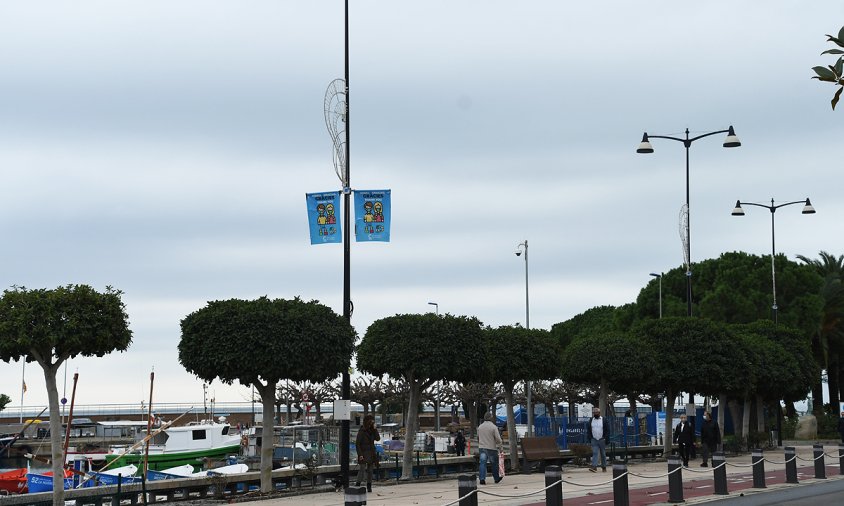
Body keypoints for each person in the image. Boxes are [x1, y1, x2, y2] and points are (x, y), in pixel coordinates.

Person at [355, 414, 380, 492]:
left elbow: (378, 438)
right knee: (362, 469)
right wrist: (360, 454)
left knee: (370, 470)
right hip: (363, 453)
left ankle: (369, 486)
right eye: (371, 422)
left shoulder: (372, 431)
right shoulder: (362, 431)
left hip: (371, 452)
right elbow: (357, 443)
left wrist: (375, 429)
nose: (372, 423)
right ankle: (357, 484)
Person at [477, 412, 503, 485]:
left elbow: (478, 437)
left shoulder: (480, 427)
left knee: (482, 463)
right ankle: (496, 478)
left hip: (482, 447)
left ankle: (482, 479)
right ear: (490, 418)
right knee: (494, 464)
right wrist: (500, 448)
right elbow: (498, 439)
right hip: (491, 447)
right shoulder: (494, 427)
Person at [587, 407, 611, 472]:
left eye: (596, 412)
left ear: (599, 413)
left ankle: (604, 467)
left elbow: (608, 430)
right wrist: (590, 438)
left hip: (602, 439)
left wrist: (605, 438)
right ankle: (594, 467)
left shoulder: (604, 420)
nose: (595, 414)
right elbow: (589, 429)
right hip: (594, 439)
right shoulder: (591, 420)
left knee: (603, 454)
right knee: (595, 453)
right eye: (594, 413)